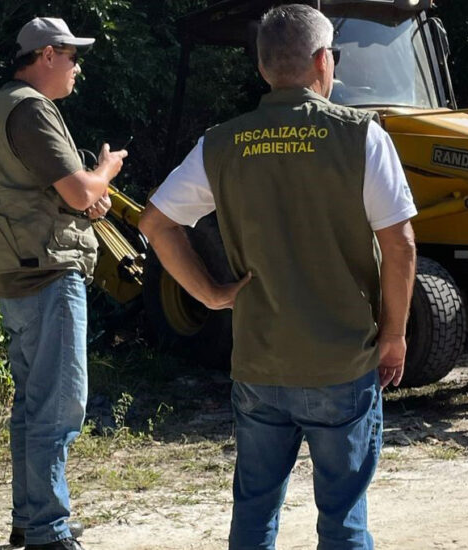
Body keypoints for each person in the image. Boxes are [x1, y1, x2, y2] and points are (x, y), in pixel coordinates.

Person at [139, 4, 417, 549]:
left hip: (260, 364)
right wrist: (393, 336)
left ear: (263, 67)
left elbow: (155, 223)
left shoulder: (221, 143)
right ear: (323, 61)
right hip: (342, 364)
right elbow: (401, 245)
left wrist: (210, 295)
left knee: (254, 512)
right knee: (343, 519)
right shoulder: (361, 136)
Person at [0, 16, 127, 550]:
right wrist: (105, 171)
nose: (77, 68)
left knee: (32, 403)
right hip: (47, 271)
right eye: (72, 56)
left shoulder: (1, 105)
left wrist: (87, 196)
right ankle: (47, 529)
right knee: (58, 405)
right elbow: (81, 192)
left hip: (15, 268)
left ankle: (31, 516)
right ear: (46, 55)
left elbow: (52, 193)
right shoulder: (33, 108)